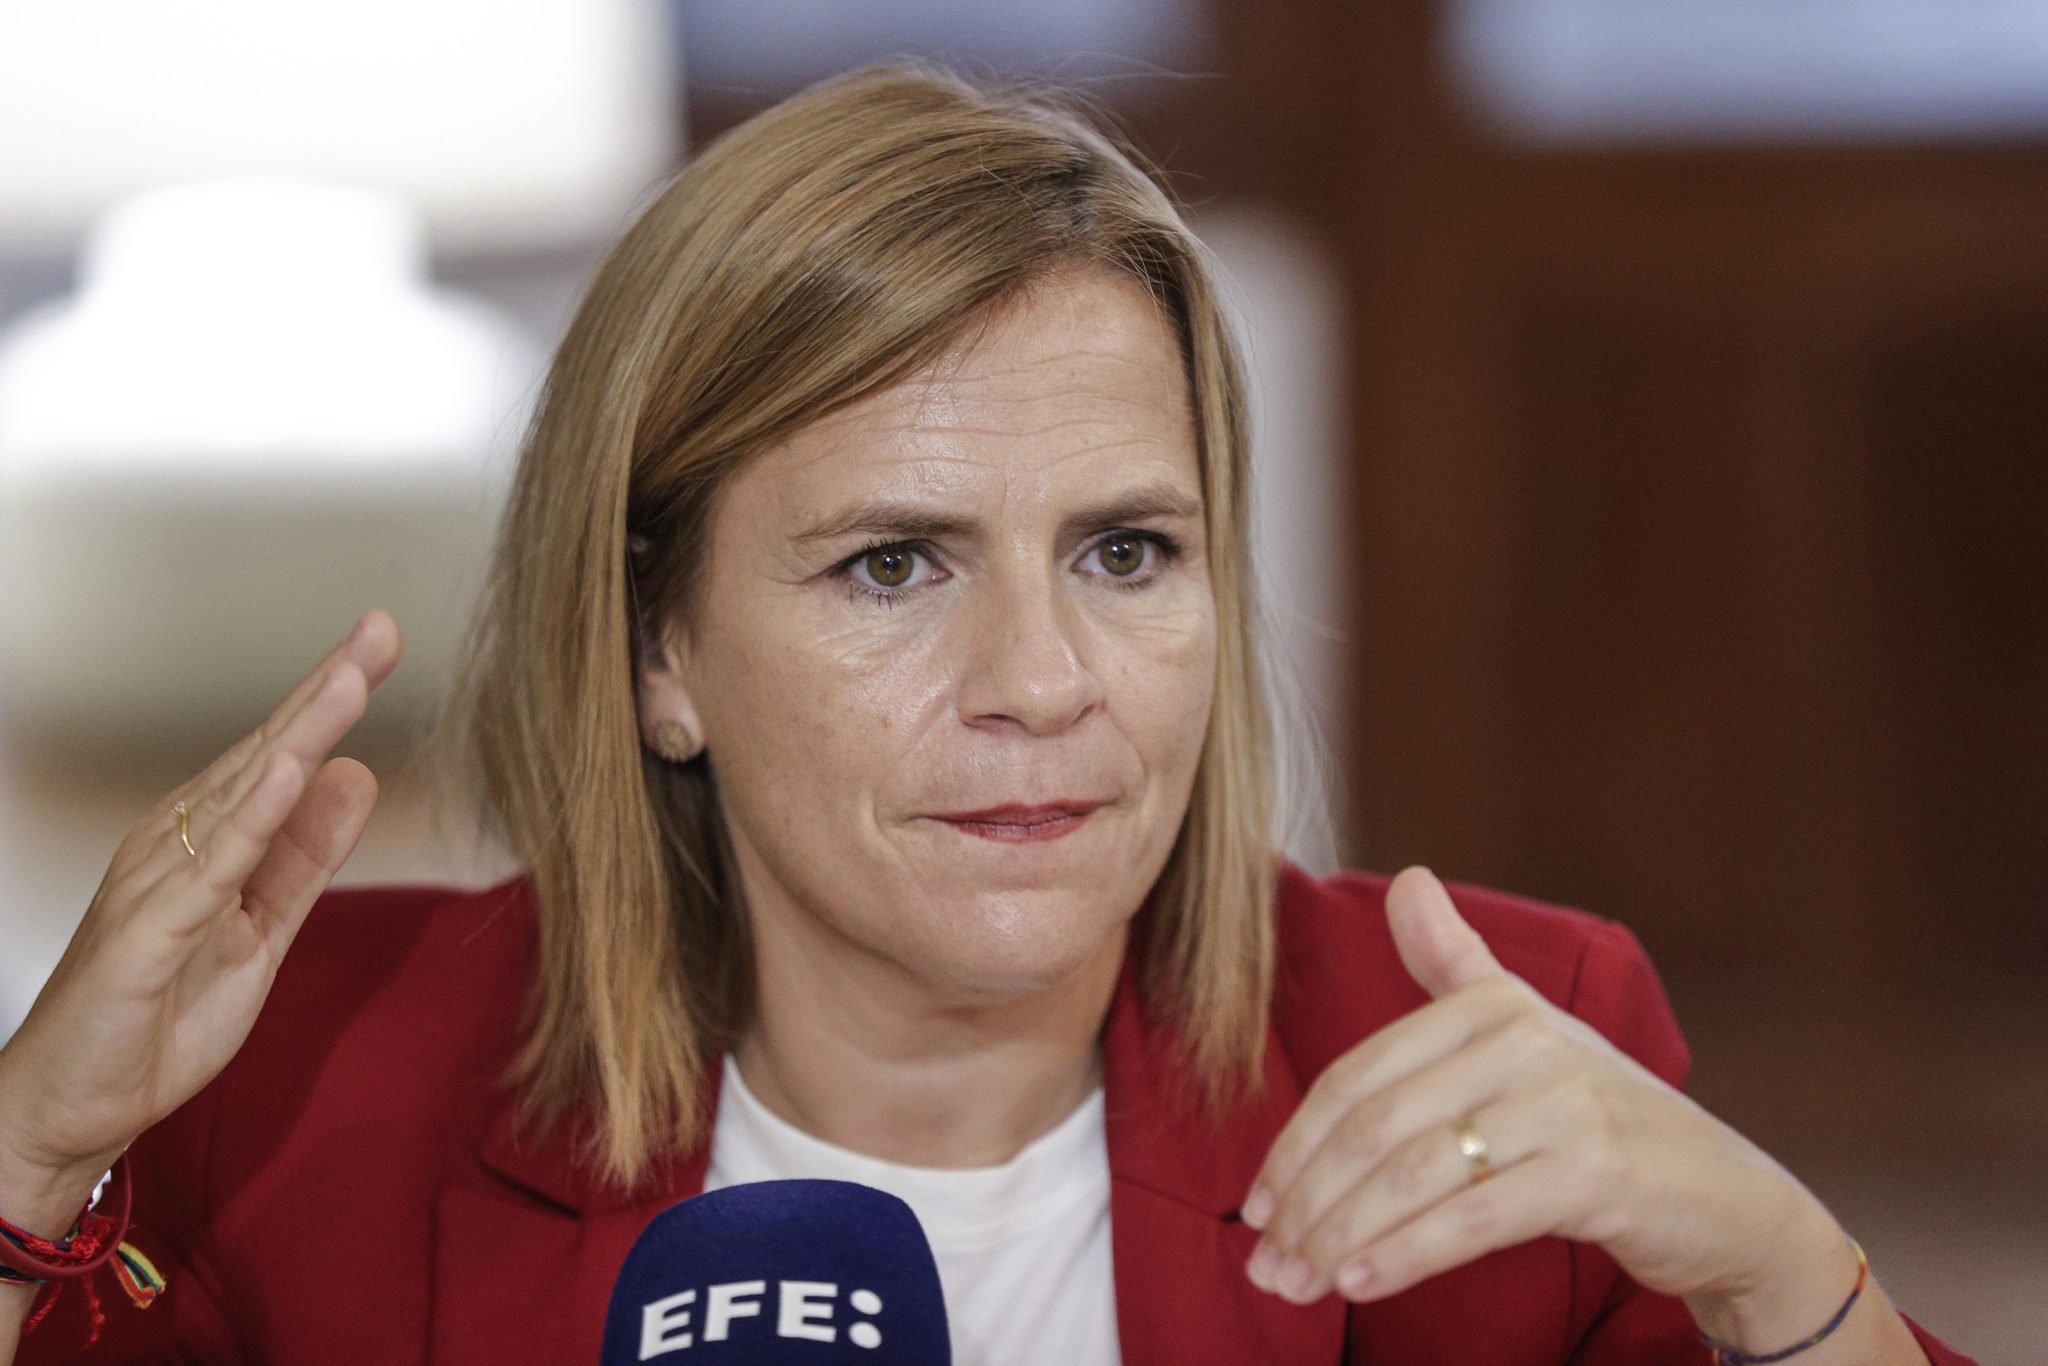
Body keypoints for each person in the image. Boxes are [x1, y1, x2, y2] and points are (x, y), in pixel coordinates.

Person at [0, 59, 1978, 1365]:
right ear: (656, 647)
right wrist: (17, 1168)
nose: (1042, 682)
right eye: (894, 563)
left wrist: (1780, 1273)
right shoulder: (312, 1078)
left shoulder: (1488, 1054)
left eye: (1124, 549)